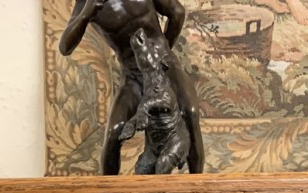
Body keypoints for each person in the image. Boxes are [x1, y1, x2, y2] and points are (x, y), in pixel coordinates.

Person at [60, 0, 204, 174]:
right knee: (114, 133)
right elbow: (65, 47)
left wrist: (159, 59)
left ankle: (199, 188)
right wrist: (86, 14)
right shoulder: (86, 3)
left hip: (163, 62)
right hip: (132, 76)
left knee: (190, 112)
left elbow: (177, 12)